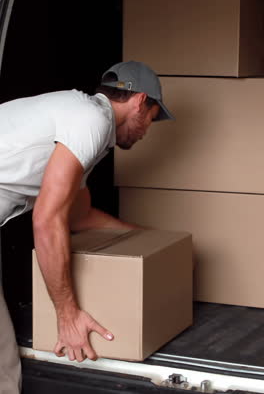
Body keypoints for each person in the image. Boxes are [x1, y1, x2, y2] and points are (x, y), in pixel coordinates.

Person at [0, 60, 174, 393]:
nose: (146, 130)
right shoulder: (89, 121)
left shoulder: (81, 126)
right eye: (151, 119)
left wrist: (152, 242)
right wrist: (68, 317)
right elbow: (48, 219)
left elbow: (80, 216)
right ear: (139, 102)